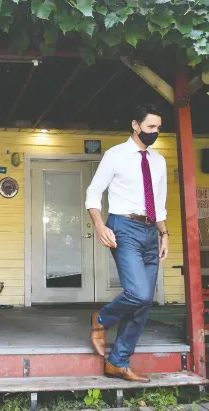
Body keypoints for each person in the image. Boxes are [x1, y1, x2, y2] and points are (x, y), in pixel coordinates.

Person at [85, 103, 169, 383]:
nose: (155, 132)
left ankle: (118, 361)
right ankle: (101, 319)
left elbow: (158, 202)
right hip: (123, 226)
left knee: (145, 303)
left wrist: (164, 234)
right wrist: (99, 225)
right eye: (150, 127)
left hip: (150, 231)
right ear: (135, 125)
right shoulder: (115, 156)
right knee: (138, 293)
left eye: (158, 127)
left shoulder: (158, 160)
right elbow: (93, 193)